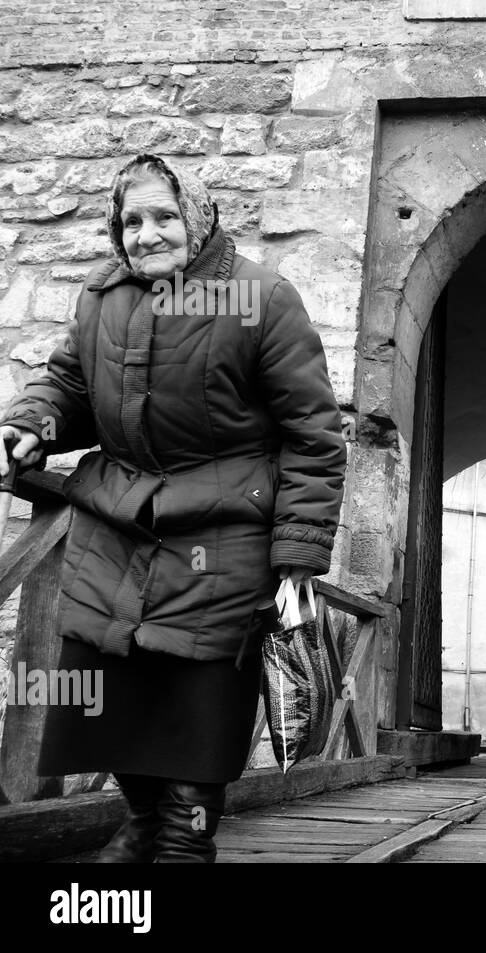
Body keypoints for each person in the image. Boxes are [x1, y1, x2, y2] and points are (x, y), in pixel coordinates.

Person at [0, 153, 347, 862]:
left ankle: (183, 837)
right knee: (110, 691)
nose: (147, 233)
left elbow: (313, 435)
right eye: (132, 220)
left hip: (221, 539)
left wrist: (299, 555)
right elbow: (71, 383)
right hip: (116, 532)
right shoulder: (102, 297)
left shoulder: (262, 298)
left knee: (197, 710)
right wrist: (33, 421)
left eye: (163, 215)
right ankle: (144, 816)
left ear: (198, 215)